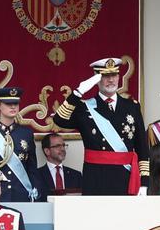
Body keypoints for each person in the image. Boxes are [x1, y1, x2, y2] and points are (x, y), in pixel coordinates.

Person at [53, 57, 149, 196]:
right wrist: (77, 93)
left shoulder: (132, 106)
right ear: (97, 78)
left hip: (125, 177)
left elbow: (142, 147)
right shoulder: (84, 107)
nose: (111, 80)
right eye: (105, 76)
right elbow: (59, 120)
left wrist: (144, 182)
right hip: (96, 178)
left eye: (114, 74)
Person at [0, 87, 40, 202]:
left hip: (21, 193)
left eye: (16, 103)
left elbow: (32, 168)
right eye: (8, 103)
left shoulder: (26, 133)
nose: (13, 107)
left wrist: (35, 191)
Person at [34, 132, 82, 197]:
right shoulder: (36, 175)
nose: (62, 149)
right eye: (58, 146)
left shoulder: (76, 175)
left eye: (63, 145)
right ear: (47, 151)